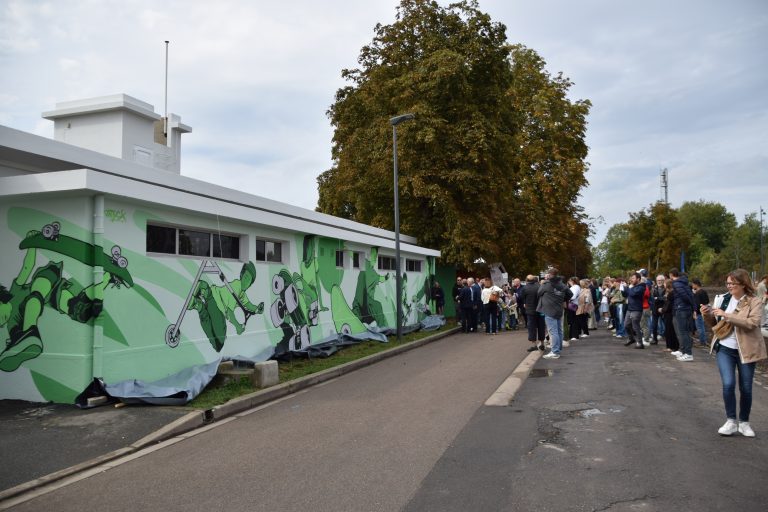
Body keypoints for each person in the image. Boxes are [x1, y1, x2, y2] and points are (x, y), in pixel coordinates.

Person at [702, 269, 767, 437]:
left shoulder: (754, 302)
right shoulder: (722, 299)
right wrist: (707, 315)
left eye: (733, 283)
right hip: (725, 349)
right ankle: (731, 420)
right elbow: (715, 324)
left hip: (746, 350)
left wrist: (728, 315)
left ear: (743, 284)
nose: (729, 286)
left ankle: (744, 422)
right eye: (728, 283)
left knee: (746, 388)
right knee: (728, 384)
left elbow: (753, 323)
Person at [537, 267, 570, 359]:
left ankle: (555, 351)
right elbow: (570, 294)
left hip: (549, 309)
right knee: (559, 330)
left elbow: (539, 293)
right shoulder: (562, 284)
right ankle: (558, 349)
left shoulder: (547, 284)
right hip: (559, 309)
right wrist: (561, 299)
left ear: (549, 274)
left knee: (553, 331)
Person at [669, 268, 696, 362]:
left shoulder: (676, 283)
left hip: (681, 309)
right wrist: (693, 307)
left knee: (683, 332)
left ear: (671, 275)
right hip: (685, 309)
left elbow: (685, 296)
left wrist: (684, 305)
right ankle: (684, 351)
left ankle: (688, 353)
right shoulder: (685, 283)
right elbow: (691, 296)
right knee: (684, 332)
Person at [623, 272, 647, 349]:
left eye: (633, 278)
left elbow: (633, 293)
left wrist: (628, 288)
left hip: (637, 309)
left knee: (635, 326)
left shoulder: (641, 286)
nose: (631, 280)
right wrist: (622, 289)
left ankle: (640, 343)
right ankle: (631, 339)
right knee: (626, 325)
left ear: (638, 279)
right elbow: (625, 294)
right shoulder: (632, 286)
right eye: (631, 278)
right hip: (630, 309)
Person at [522, 275, 546, 351]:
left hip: (530, 311)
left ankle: (534, 345)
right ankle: (542, 344)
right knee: (541, 326)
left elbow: (522, 298)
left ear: (527, 280)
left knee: (532, 328)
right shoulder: (540, 286)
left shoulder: (525, 288)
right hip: (540, 309)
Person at [660, 280, 679, 353]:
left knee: (669, 330)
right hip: (672, 313)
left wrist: (662, 310)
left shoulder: (671, 294)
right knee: (672, 331)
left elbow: (668, 305)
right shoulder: (673, 293)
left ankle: (670, 347)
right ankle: (673, 346)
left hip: (669, 314)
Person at [691, 278, 709, 346]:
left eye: (693, 284)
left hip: (698, 312)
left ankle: (702, 342)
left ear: (696, 284)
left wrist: (695, 312)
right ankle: (703, 341)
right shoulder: (703, 291)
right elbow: (707, 301)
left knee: (700, 327)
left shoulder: (697, 293)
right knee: (702, 327)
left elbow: (696, 304)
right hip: (704, 311)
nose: (692, 286)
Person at [649, 274, 666, 344]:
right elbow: (651, 298)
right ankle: (655, 339)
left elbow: (666, 298)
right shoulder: (653, 288)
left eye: (660, 280)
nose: (659, 282)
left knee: (667, 324)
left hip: (664, 308)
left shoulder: (665, 288)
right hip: (655, 308)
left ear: (663, 281)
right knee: (654, 325)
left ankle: (667, 338)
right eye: (658, 280)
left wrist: (657, 298)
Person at [566, 277, 581, 342]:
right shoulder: (577, 287)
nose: (568, 282)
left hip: (572, 305)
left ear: (572, 281)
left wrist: (567, 299)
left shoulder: (574, 287)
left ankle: (574, 335)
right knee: (573, 320)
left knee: (573, 320)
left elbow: (573, 296)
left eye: (569, 281)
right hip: (575, 304)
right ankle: (573, 335)